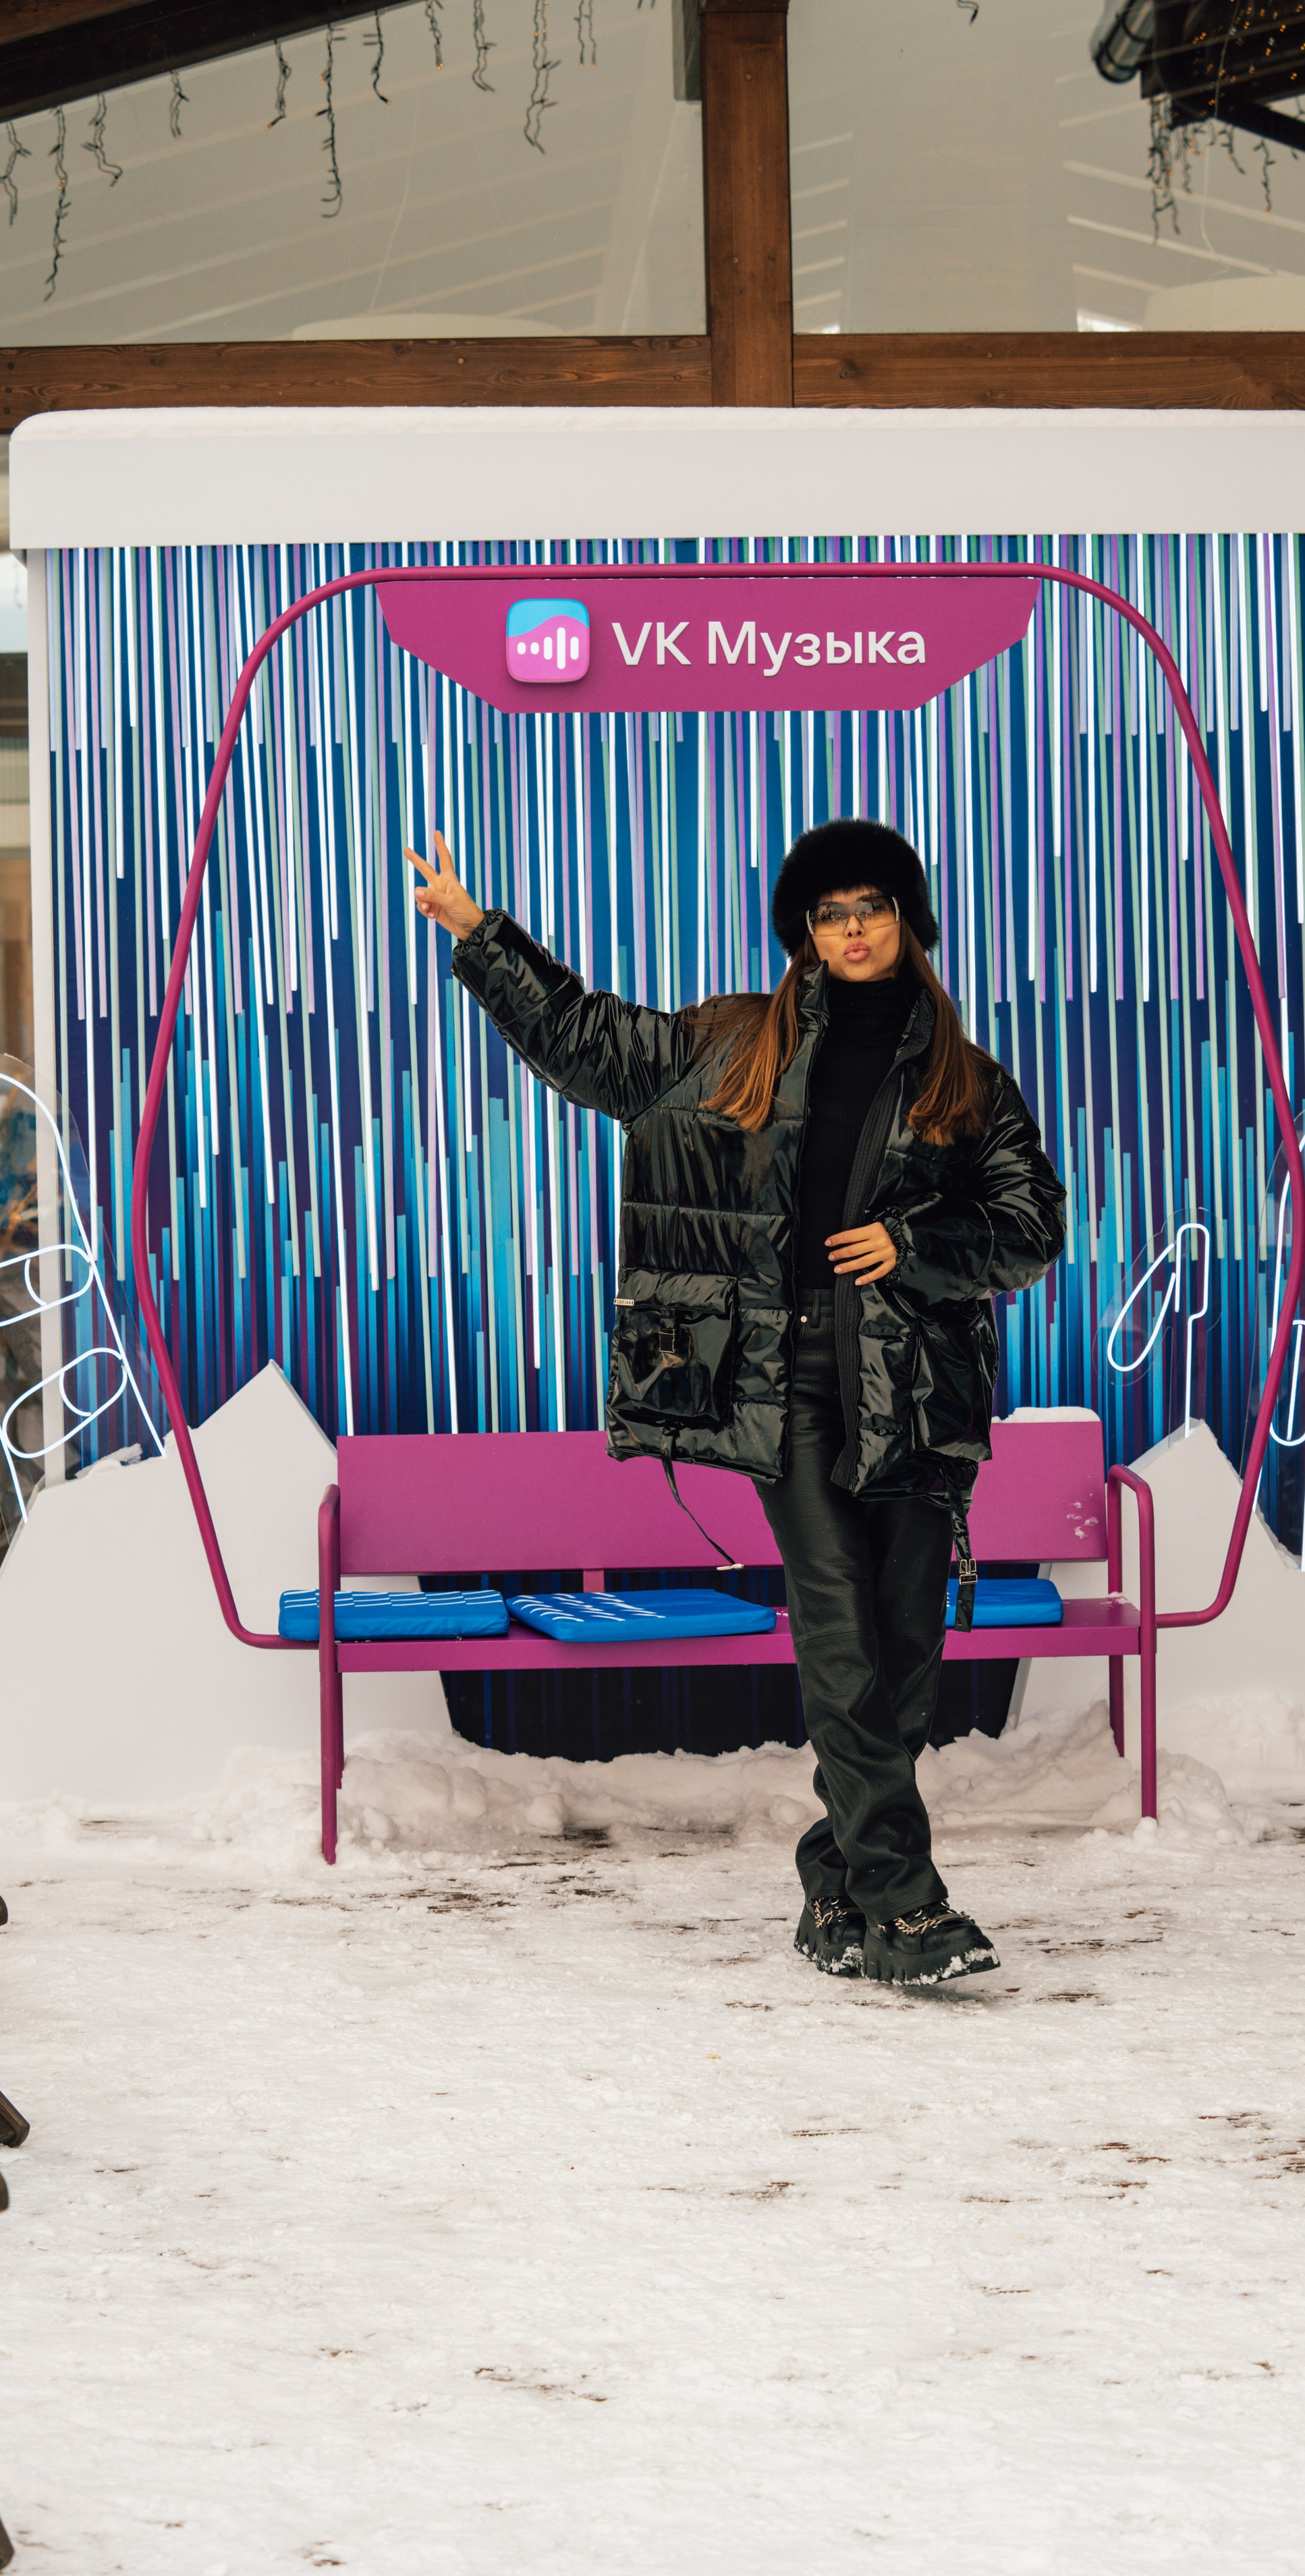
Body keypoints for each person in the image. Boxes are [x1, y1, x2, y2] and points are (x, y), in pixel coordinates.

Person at [405, 816, 1067, 1990]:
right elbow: (586, 1041)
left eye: (871, 909)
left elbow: (1034, 1228)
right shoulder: (731, 1041)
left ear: (907, 925)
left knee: (906, 1657)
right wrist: (481, 937)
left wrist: (913, 1244)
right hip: (782, 1385)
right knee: (841, 1638)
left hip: (913, 1396)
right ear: (804, 934)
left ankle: (835, 1881)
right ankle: (909, 1907)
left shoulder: (966, 1080)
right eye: (829, 913)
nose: (853, 930)